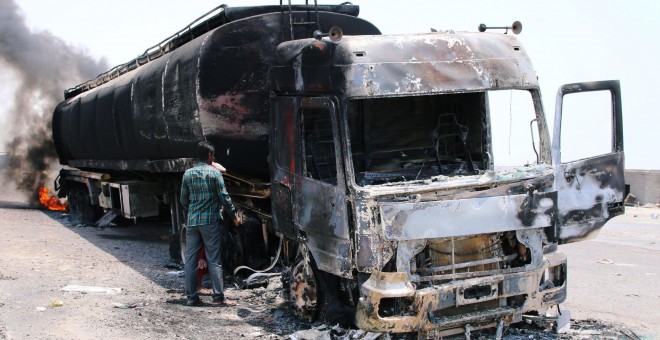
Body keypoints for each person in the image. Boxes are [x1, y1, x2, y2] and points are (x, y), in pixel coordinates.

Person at [180, 141, 241, 306]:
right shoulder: (215, 174)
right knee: (214, 259)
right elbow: (224, 197)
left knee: (191, 260)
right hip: (210, 222)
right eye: (212, 155)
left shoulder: (188, 174)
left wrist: (193, 209)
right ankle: (218, 297)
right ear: (209, 156)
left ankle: (192, 297)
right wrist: (234, 215)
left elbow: (183, 200)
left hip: (192, 222)